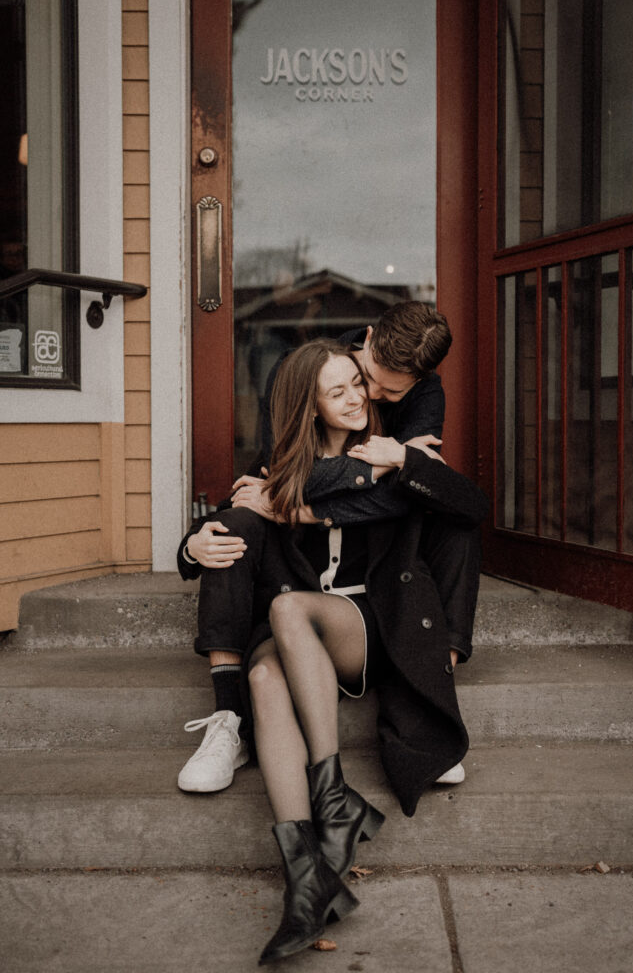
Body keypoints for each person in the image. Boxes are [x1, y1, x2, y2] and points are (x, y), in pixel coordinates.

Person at [200, 340, 487, 963]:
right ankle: (306, 880)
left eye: (358, 383)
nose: (358, 396)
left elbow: (467, 504)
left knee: (285, 607)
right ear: (310, 406)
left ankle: (333, 798)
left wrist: (303, 505)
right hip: (302, 645)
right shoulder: (279, 463)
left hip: (371, 628)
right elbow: (240, 515)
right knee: (265, 678)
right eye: (339, 391)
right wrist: (192, 546)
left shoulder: (391, 453)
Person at [176, 301, 480, 794]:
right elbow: (287, 471)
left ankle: (429, 688)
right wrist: (193, 548)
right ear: (366, 338)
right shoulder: (302, 370)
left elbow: (418, 492)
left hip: (371, 598)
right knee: (236, 522)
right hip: (297, 589)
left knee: (452, 515)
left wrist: (393, 463)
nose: (370, 397)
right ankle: (229, 718)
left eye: (386, 391)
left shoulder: (424, 394)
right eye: (362, 379)